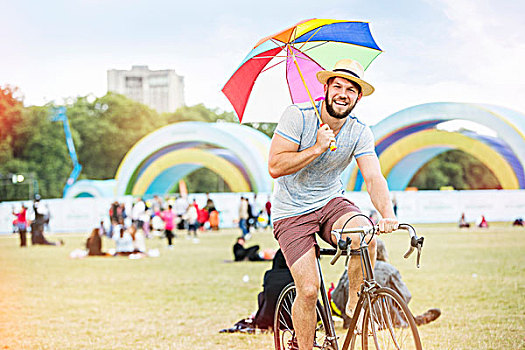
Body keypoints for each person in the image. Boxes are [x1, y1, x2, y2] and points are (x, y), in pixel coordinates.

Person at [268, 58, 398, 350]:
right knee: (310, 289)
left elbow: (374, 177)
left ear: (358, 96)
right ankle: (303, 345)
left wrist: (387, 214)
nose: (343, 93)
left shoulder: (359, 131)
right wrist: (316, 147)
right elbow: (275, 166)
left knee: (365, 234)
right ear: (325, 88)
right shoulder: (297, 116)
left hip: (330, 203)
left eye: (351, 89)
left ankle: (353, 307)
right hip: (291, 212)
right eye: (337, 86)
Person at [330, 239, 441, 328]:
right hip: (385, 319)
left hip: (352, 321)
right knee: (395, 306)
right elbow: (404, 297)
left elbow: (336, 299)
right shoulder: (389, 269)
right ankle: (417, 320)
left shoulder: (349, 270)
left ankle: (416, 319)